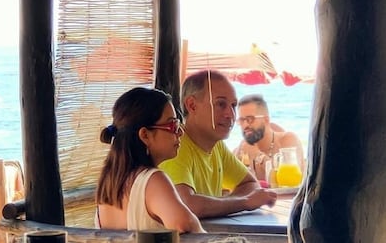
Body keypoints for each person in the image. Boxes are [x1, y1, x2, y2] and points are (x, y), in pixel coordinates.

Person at [159, 70, 277, 219]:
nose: (231, 115)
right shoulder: (176, 144)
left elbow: (250, 185)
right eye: (221, 104)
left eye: (233, 106)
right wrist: (244, 203)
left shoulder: (216, 145)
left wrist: (220, 203)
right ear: (192, 105)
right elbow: (186, 205)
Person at [95, 87, 205, 233]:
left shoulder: (109, 184)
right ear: (145, 135)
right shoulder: (152, 181)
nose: (180, 132)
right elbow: (186, 227)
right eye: (172, 125)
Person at [234, 94, 305, 182]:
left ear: (266, 119)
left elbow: (287, 181)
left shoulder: (288, 140)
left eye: (250, 119)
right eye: (241, 120)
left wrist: (258, 155)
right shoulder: (242, 150)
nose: (245, 125)